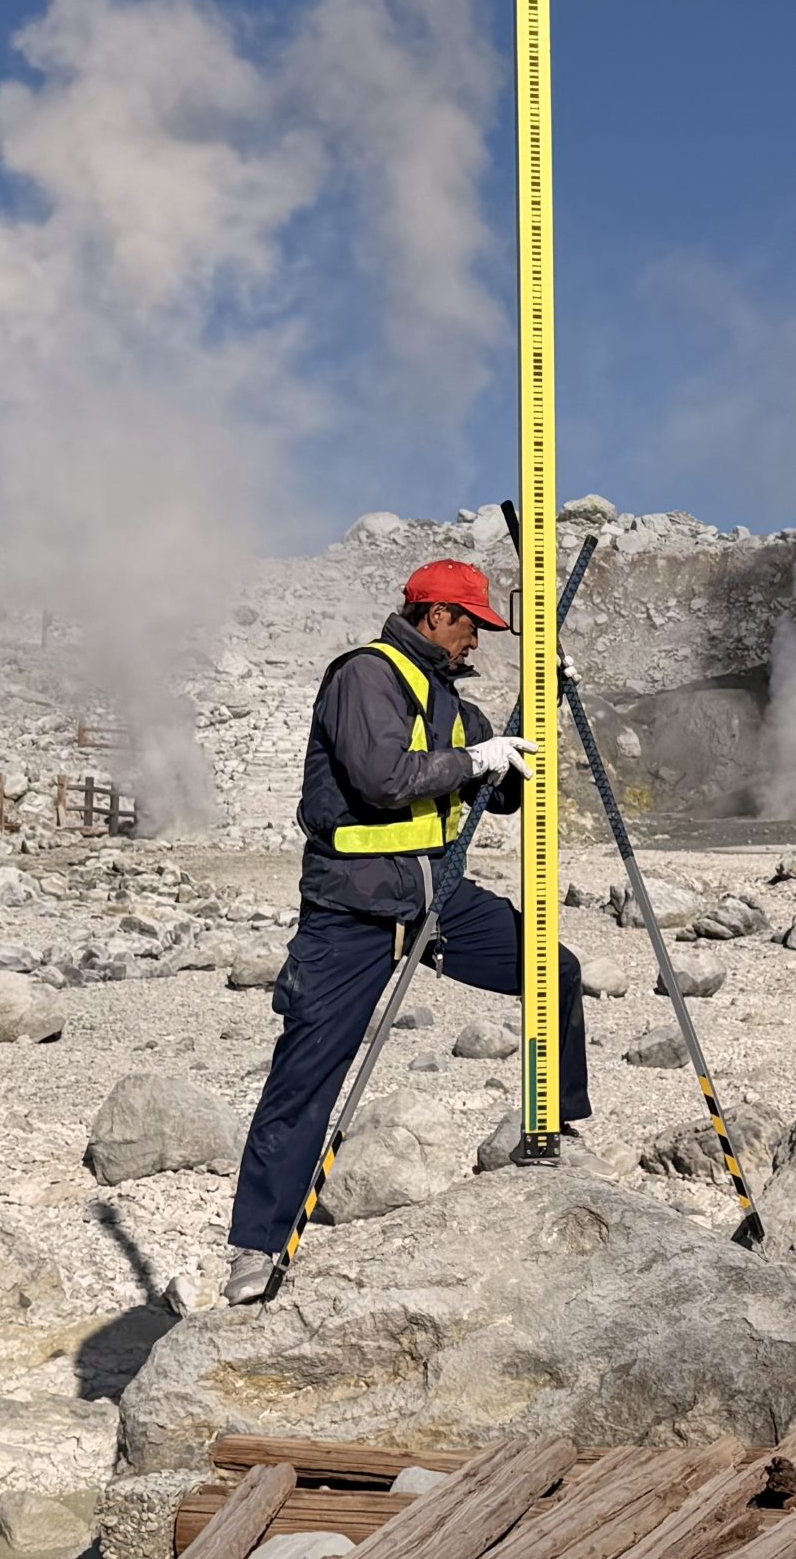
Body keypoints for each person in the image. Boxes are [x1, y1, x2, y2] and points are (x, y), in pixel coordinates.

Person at [221, 558, 593, 1304]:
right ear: (436, 615)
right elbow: (385, 779)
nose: (476, 642)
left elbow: (504, 793)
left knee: (554, 969)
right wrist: (474, 757)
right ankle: (256, 1248)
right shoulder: (365, 676)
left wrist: (541, 703)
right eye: (471, 627)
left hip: (437, 897)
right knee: (306, 1077)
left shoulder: (449, 697)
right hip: (352, 910)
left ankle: (553, 1131)